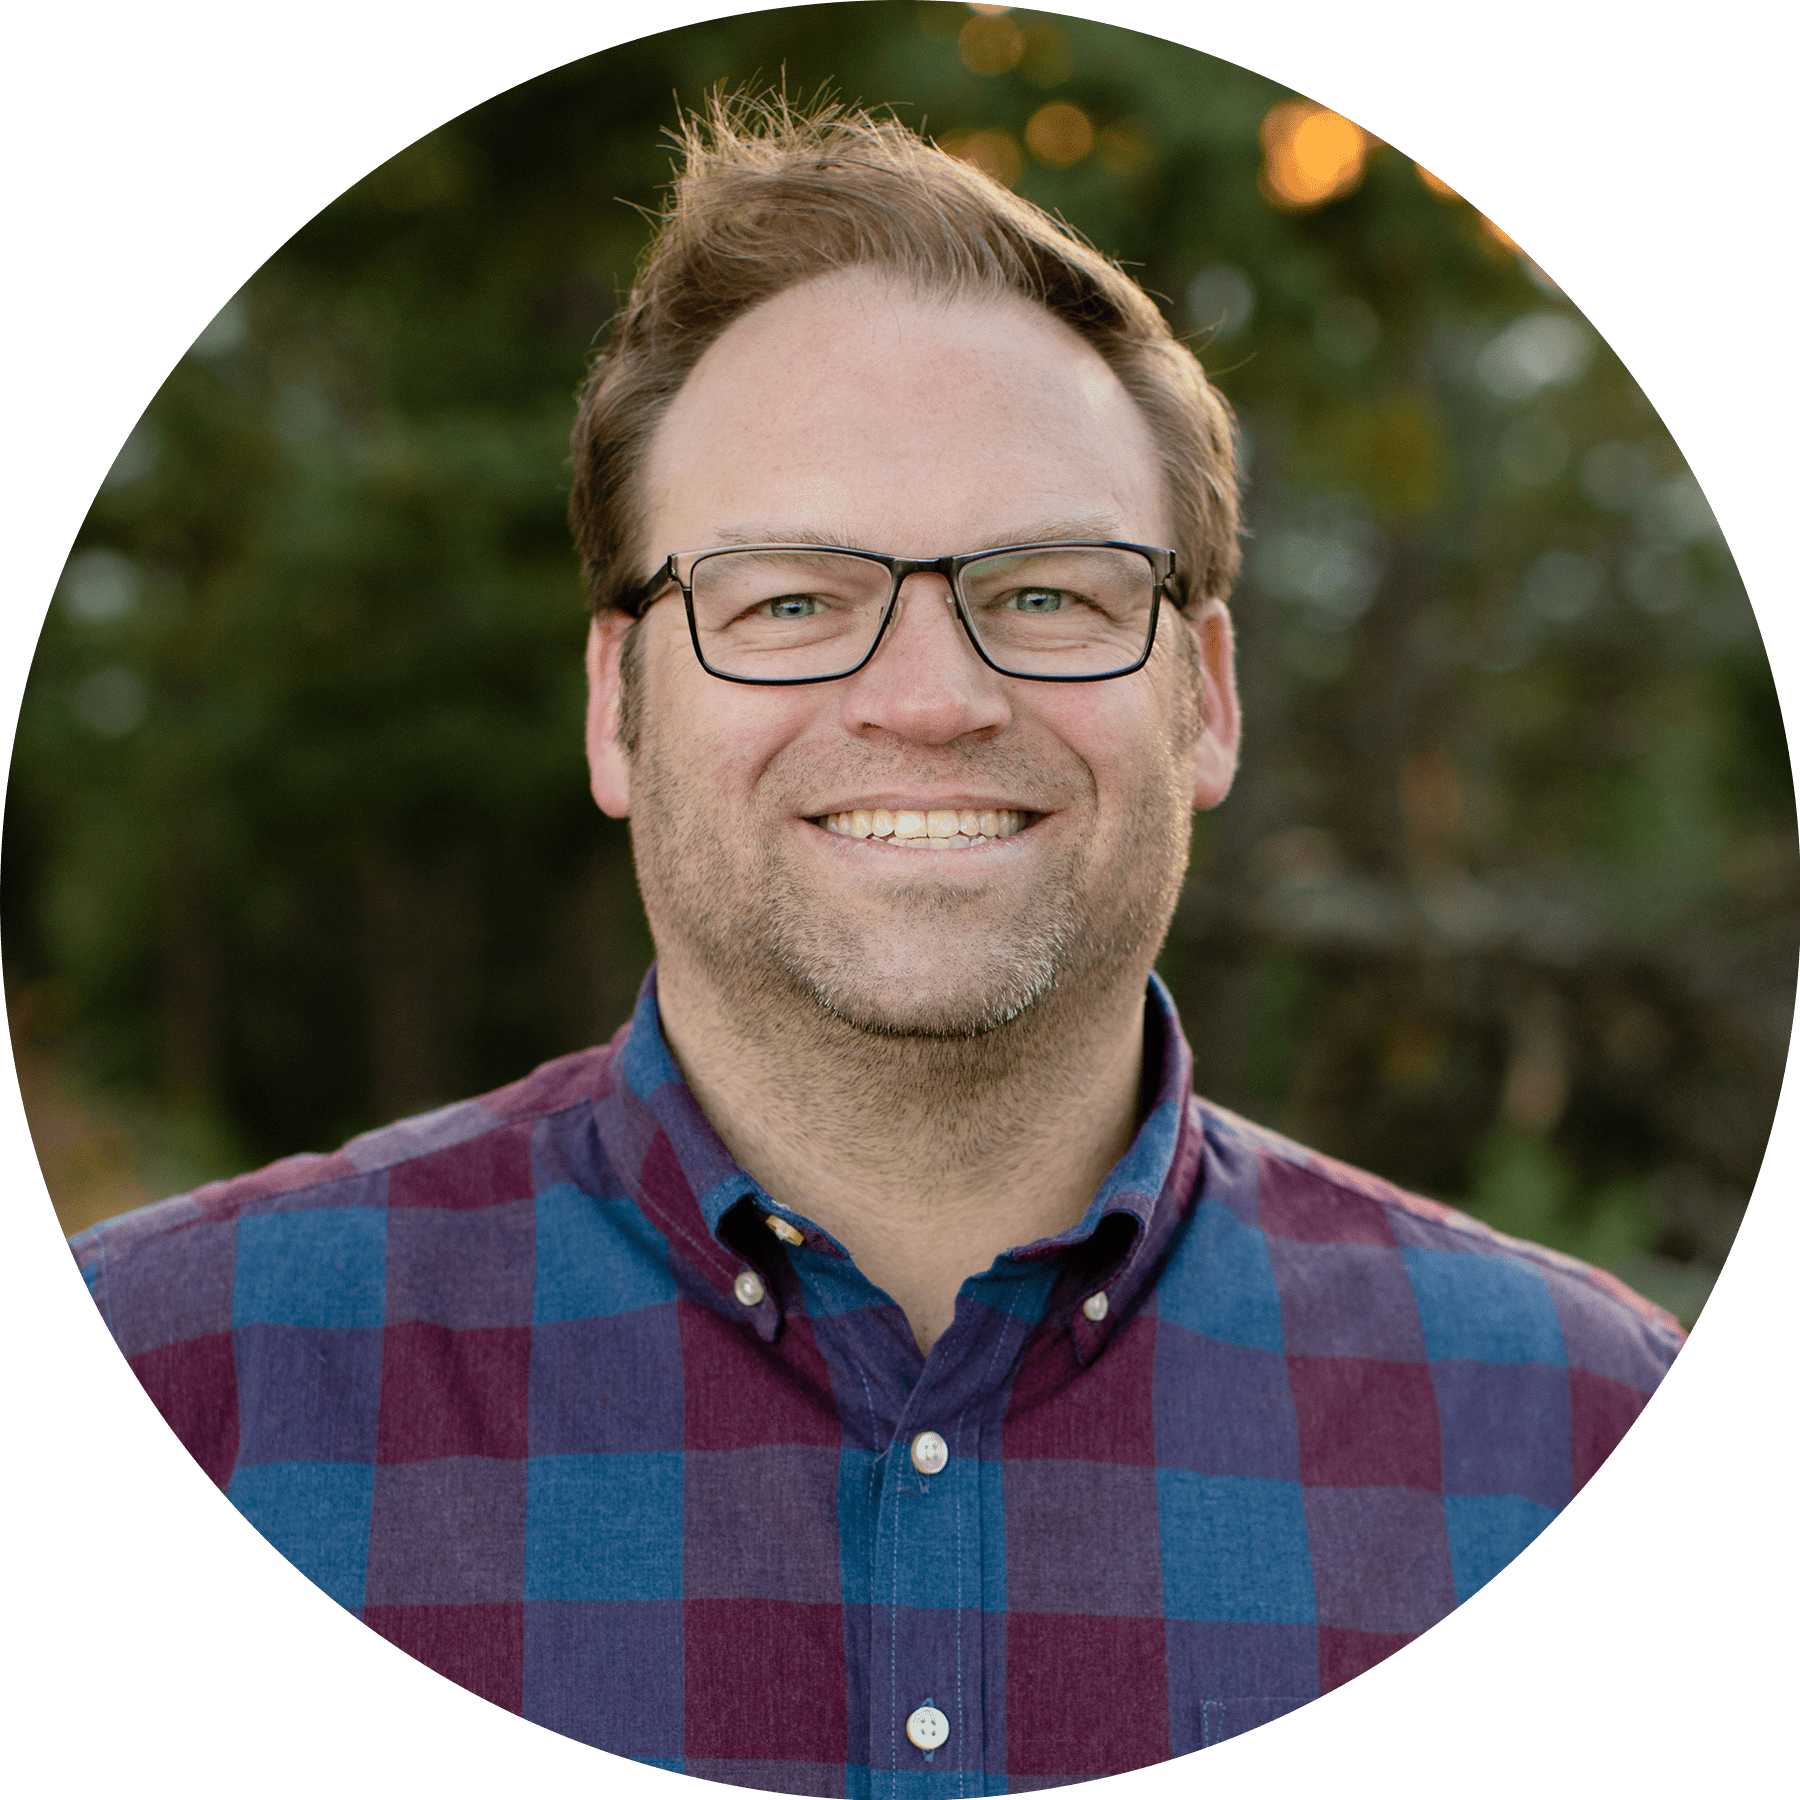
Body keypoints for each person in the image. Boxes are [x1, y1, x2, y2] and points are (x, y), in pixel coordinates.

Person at [70, 99, 1682, 1791]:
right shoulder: (165, 1400)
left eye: (1049, 592)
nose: (931, 698)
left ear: (1206, 699)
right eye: (790, 600)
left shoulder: (1580, 1451)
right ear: (617, 707)